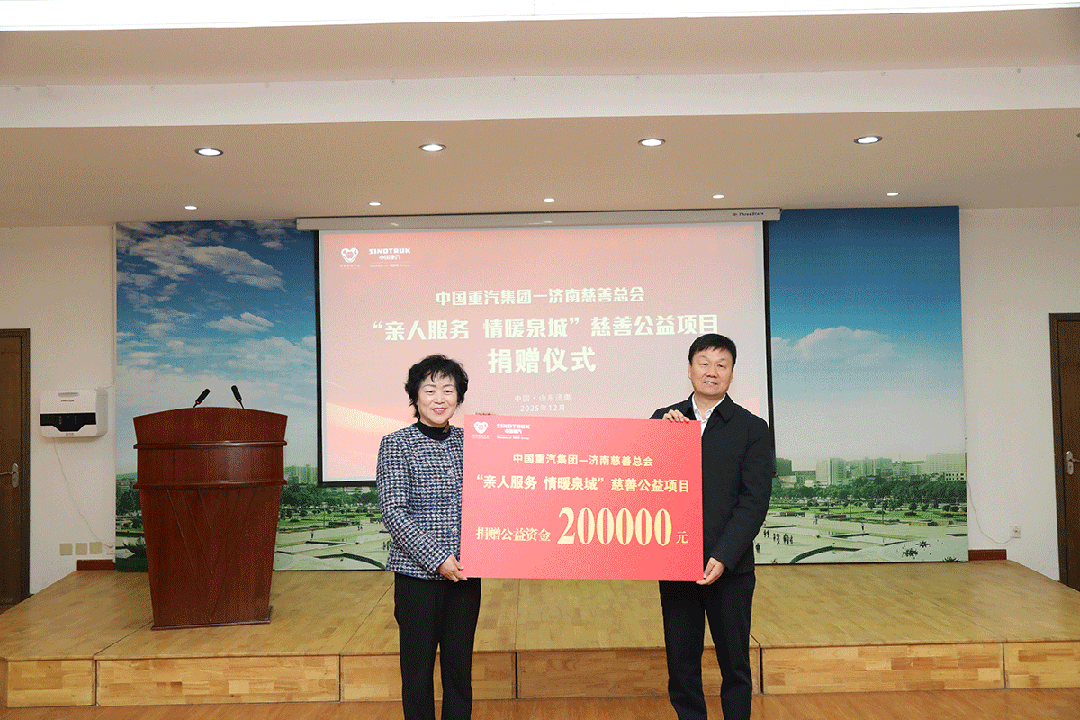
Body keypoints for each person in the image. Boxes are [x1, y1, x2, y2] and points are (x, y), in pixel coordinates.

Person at [651, 334, 774, 720]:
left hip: (730, 568)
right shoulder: (663, 419)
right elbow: (642, 481)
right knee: (681, 664)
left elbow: (754, 502)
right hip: (677, 564)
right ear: (689, 369)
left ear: (732, 374)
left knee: (735, 665)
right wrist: (661, 437)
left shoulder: (752, 428)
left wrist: (723, 555)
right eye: (703, 363)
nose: (712, 371)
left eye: (722, 365)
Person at [376, 354, 480, 720]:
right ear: (415, 396)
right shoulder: (397, 444)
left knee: (459, 672)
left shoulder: (472, 443)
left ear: (458, 397)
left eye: (448, 390)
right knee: (417, 673)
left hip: (465, 575)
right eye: (430, 389)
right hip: (417, 579)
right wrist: (437, 559)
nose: (440, 398)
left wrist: (500, 438)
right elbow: (394, 512)